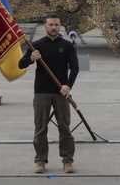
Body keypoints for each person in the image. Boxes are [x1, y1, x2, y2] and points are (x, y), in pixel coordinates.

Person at [18, 16, 79, 174]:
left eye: (56, 25)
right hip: (41, 92)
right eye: (50, 24)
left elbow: (75, 68)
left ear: (60, 27)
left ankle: (67, 161)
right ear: (45, 27)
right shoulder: (36, 45)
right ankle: (40, 160)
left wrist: (68, 86)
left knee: (64, 128)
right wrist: (31, 58)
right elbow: (20, 64)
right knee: (40, 128)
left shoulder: (67, 46)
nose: (53, 27)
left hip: (61, 92)